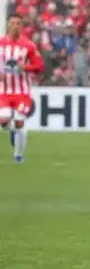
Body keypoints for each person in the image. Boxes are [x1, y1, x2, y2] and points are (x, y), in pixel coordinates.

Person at [0, 14, 44, 163]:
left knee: (19, 121)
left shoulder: (29, 45)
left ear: (22, 26)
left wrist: (25, 67)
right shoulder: (0, 44)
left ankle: (18, 155)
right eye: (12, 23)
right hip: (3, 92)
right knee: (4, 120)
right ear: (8, 25)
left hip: (22, 91)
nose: (15, 26)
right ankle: (10, 127)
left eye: (18, 23)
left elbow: (39, 66)